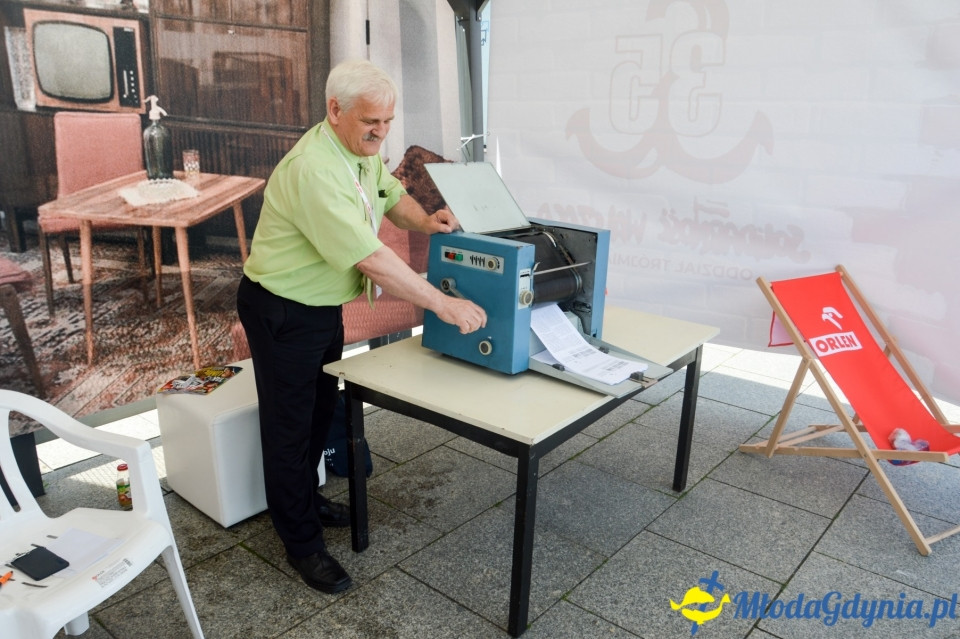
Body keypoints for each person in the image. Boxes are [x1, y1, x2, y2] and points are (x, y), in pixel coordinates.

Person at [236, 59, 486, 594]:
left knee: (320, 411)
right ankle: (301, 544)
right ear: (335, 110)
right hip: (282, 309)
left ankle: (307, 500)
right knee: (288, 429)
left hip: (321, 306)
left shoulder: (358, 151)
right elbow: (371, 258)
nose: (382, 132)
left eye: (389, 121)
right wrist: (441, 305)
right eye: (372, 121)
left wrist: (427, 219)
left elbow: (389, 194)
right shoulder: (314, 169)